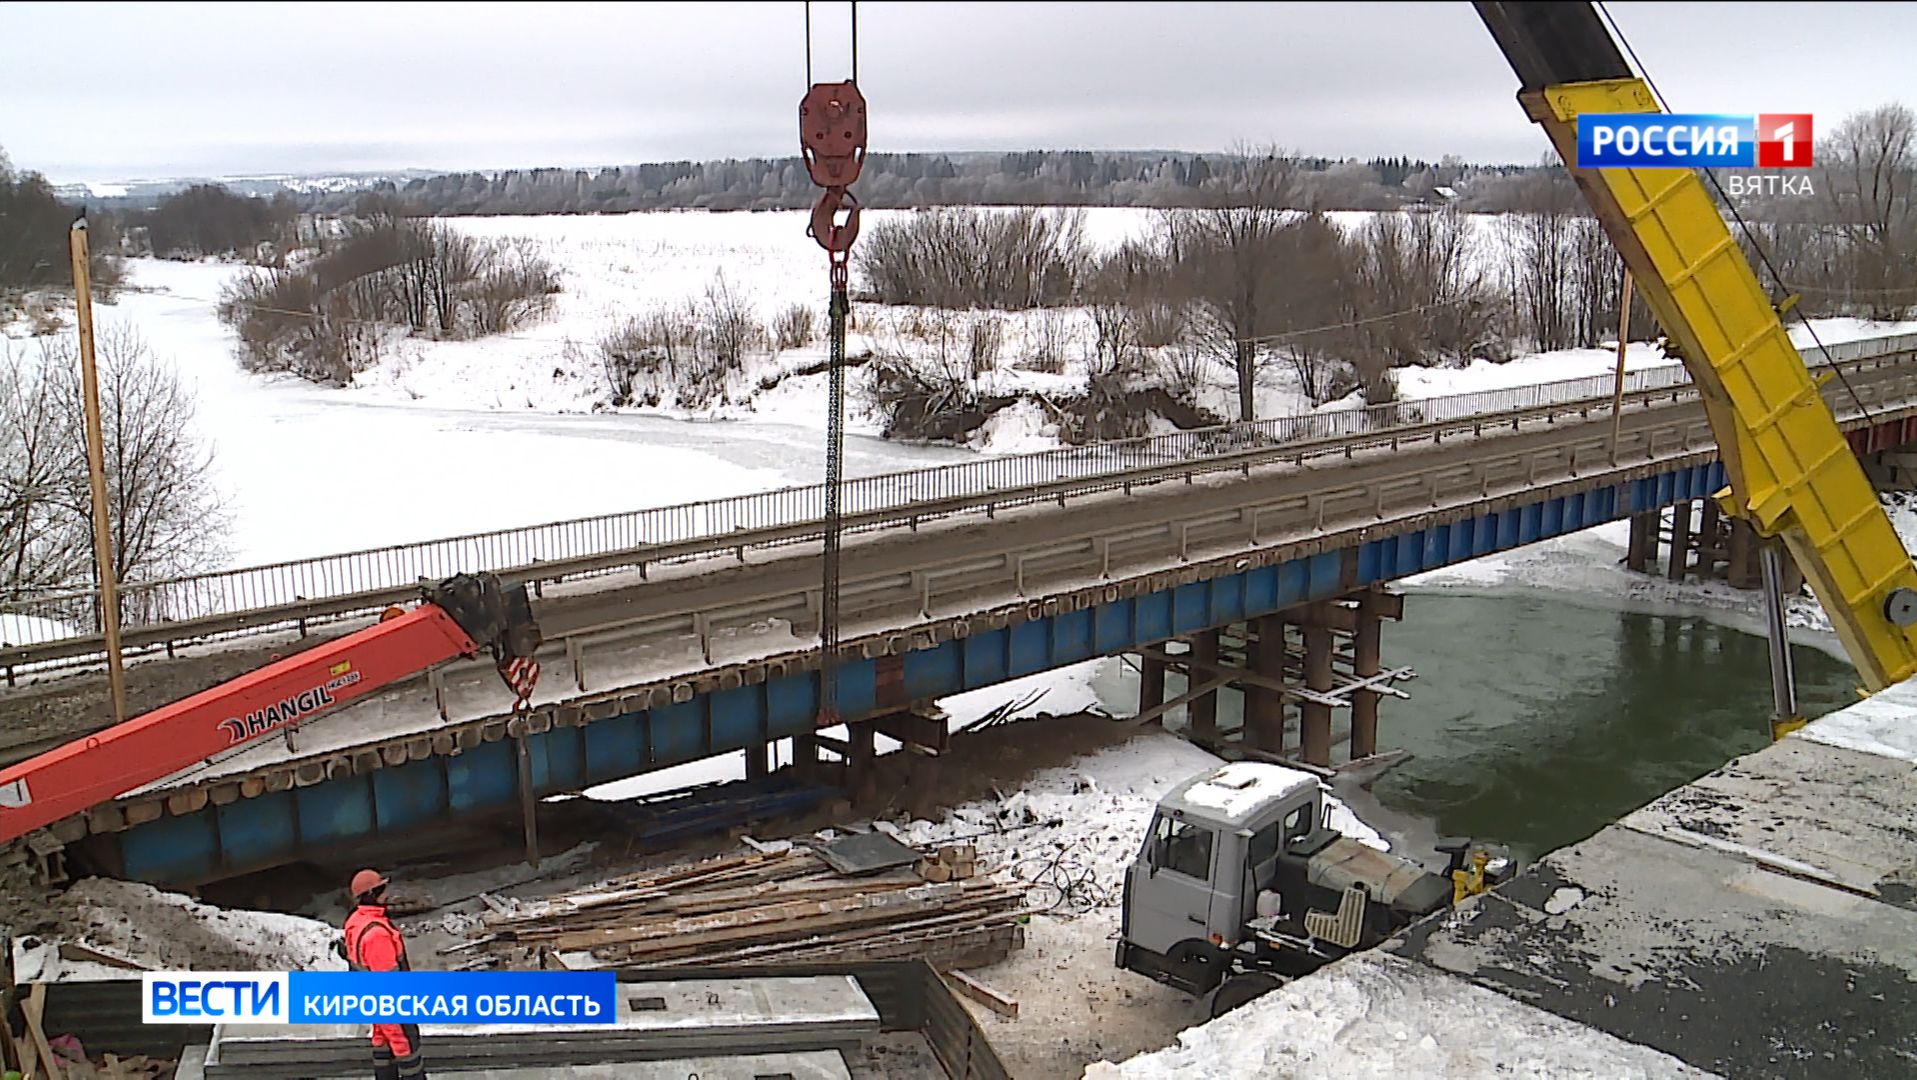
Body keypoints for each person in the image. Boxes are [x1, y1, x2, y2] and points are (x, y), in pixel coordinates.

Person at [342, 869, 426, 1080]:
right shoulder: (377, 935)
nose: (387, 894)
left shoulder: (356, 921)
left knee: (382, 1045)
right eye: (382, 889)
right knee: (407, 1054)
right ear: (372, 893)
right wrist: (401, 1039)